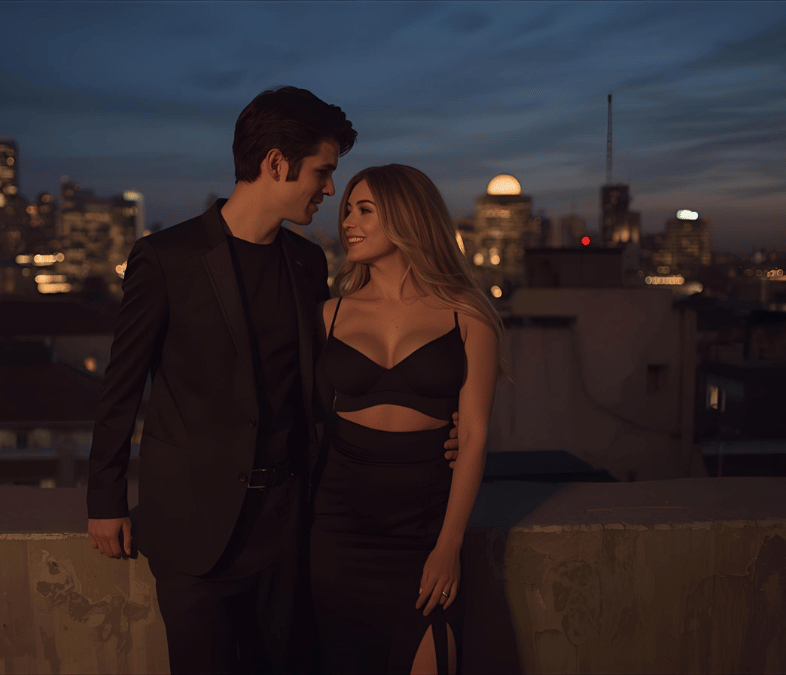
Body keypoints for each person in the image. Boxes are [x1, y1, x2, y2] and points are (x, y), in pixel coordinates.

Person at [87, 87, 463, 674]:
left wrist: (439, 427)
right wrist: (104, 500)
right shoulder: (167, 257)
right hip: (194, 529)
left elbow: (335, 381)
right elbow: (122, 385)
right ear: (276, 164)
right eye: (323, 171)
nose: (330, 189)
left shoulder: (306, 262)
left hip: (290, 530)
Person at [312, 164, 505, 674]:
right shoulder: (329, 314)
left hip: (424, 526)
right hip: (337, 524)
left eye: (364, 210)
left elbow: (477, 434)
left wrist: (449, 545)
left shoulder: (469, 313)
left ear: (406, 218)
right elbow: (307, 417)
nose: (348, 221)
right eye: (347, 210)